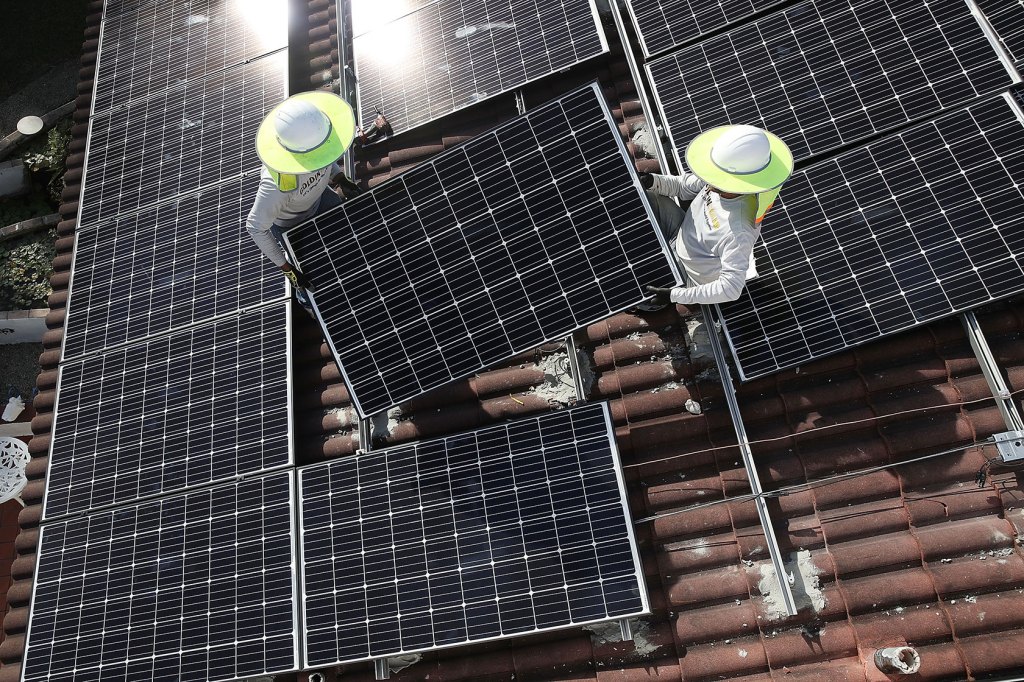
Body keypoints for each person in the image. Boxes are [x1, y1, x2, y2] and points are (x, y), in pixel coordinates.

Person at [246, 91, 385, 305]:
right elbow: (255, 227)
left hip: (322, 201)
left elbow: (324, 156)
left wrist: (339, 177)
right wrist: (288, 269)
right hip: (293, 227)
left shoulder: (316, 140)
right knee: (314, 283)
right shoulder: (276, 184)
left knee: (350, 243)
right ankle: (307, 301)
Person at [642, 124, 793, 306]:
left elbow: (730, 289)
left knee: (636, 286)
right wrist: (652, 181)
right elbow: (683, 187)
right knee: (644, 197)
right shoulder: (719, 180)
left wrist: (676, 295)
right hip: (679, 233)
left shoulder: (739, 231)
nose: (710, 177)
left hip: (688, 276)